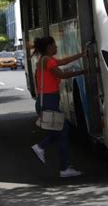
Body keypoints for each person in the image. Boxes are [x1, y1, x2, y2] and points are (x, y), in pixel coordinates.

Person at [31, 36, 87, 178]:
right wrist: (83, 72)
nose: (56, 48)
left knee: (60, 132)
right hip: (48, 101)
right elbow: (62, 75)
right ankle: (42, 148)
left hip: (48, 100)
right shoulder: (47, 60)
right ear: (49, 46)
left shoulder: (45, 59)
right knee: (63, 130)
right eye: (55, 45)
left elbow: (64, 61)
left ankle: (63, 168)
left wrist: (81, 55)